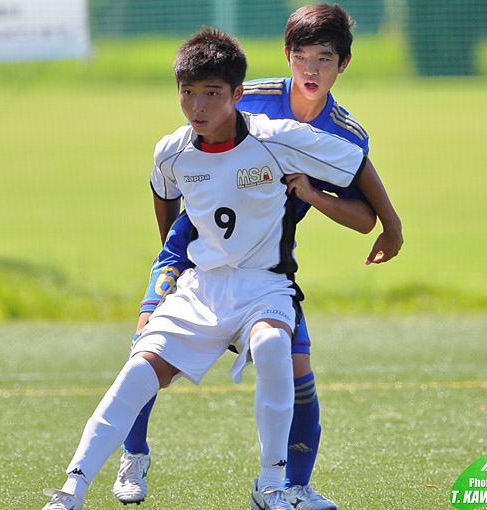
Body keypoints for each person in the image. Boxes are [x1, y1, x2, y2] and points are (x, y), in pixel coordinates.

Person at [42, 27, 374, 510]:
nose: (198, 105)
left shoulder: (279, 138)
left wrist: (390, 225)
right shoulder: (172, 149)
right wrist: (173, 261)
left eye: (211, 94)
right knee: (138, 368)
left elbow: (359, 164)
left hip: (265, 284)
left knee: (275, 347)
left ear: (237, 95)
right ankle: (72, 491)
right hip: (200, 281)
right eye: (187, 93)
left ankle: (274, 487)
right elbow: (164, 192)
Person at [114, 4, 403, 510]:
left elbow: (363, 206)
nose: (310, 70)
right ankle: (133, 455)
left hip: (265, 266)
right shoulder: (253, 97)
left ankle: (292, 487)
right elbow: (178, 161)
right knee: (146, 344)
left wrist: (330, 202)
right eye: (301, 57)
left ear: (344, 64)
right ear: (287, 56)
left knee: (298, 369)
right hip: (199, 246)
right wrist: (177, 252)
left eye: (324, 58)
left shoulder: (344, 132)